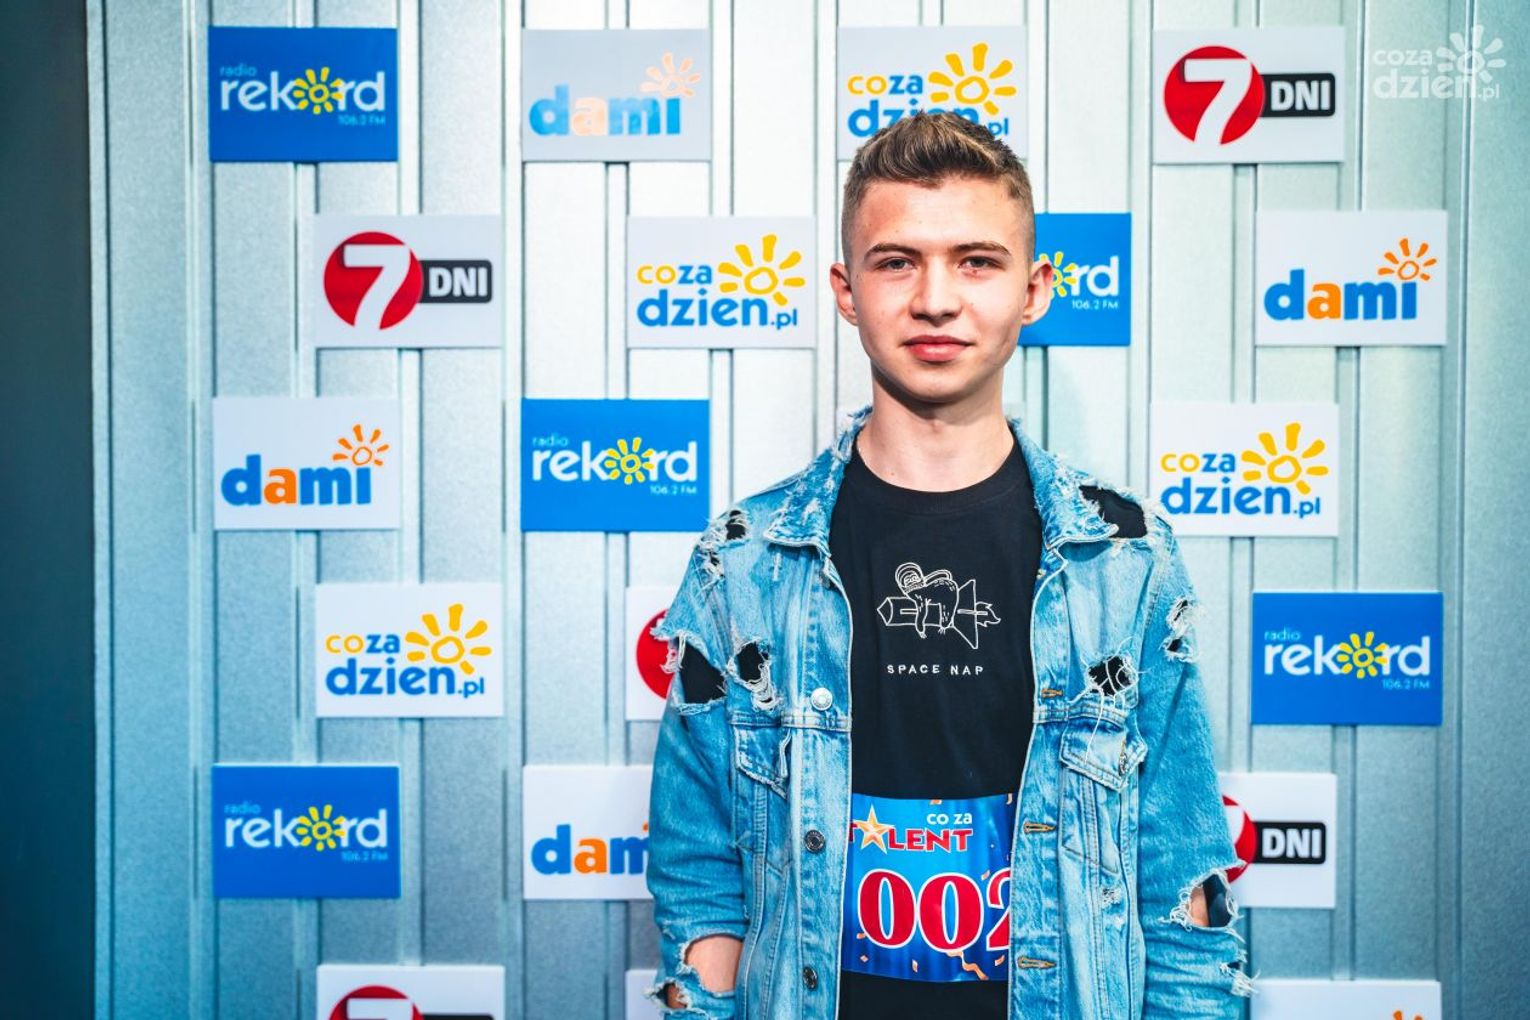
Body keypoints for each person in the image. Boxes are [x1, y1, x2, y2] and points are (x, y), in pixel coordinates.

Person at [645, 112, 1248, 1020]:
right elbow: (701, 880)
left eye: (976, 262)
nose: (935, 299)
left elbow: (1182, 891)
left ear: (1033, 290)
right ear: (847, 291)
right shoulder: (744, 563)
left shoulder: (1123, 562)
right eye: (897, 262)